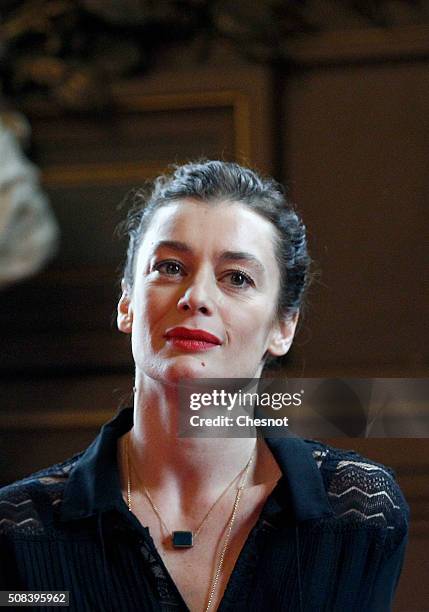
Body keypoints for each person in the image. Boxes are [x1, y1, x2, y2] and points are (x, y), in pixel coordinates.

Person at [0, 161, 409, 611]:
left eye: (237, 277)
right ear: (127, 304)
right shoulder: (19, 529)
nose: (195, 297)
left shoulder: (359, 511)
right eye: (171, 267)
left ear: (283, 327)